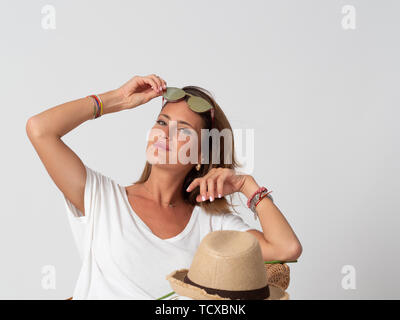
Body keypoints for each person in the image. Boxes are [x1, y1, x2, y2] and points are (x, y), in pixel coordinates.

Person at [26, 74, 302, 299]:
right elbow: (40, 129)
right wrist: (118, 100)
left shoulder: (212, 225)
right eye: (161, 122)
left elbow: (286, 249)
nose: (164, 134)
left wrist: (246, 184)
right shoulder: (103, 198)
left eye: (183, 130)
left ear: (201, 155)